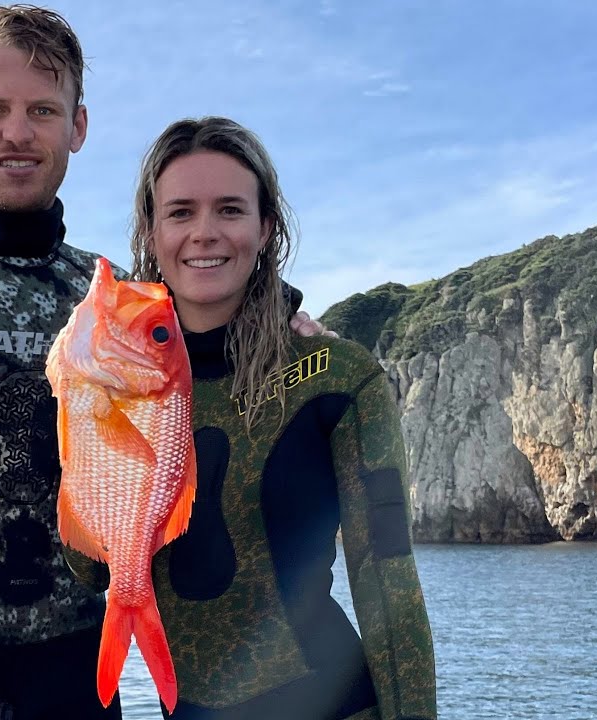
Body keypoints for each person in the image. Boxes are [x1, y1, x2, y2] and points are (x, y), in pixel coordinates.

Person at [0, 8, 331, 718]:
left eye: (43, 110)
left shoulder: (106, 294)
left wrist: (294, 326)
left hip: (71, 672)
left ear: (77, 127)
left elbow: (219, 324)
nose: (16, 132)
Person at [69, 116, 437, 720]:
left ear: (266, 227)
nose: (205, 233)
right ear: (152, 230)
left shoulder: (335, 376)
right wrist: (82, 416)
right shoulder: (113, 381)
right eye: (181, 212)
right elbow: (87, 568)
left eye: (231, 210)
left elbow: (388, 581)